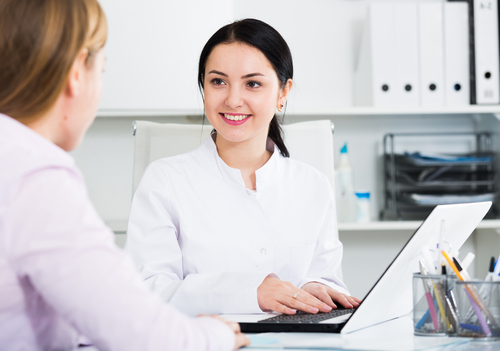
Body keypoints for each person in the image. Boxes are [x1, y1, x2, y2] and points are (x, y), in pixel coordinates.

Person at [0, 0, 249, 350]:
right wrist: (217, 335)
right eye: (100, 71)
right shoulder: (34, 178)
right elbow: (142, 334)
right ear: (76, 74)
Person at [125, 18, 361, 317]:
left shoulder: (313, 184)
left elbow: (324, 276)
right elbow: (148, 289)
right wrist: (251, 293)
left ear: (282, 92)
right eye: (218, 81)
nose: (233, 99)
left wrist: (314, 287)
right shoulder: (165, 180)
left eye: (253, 83)